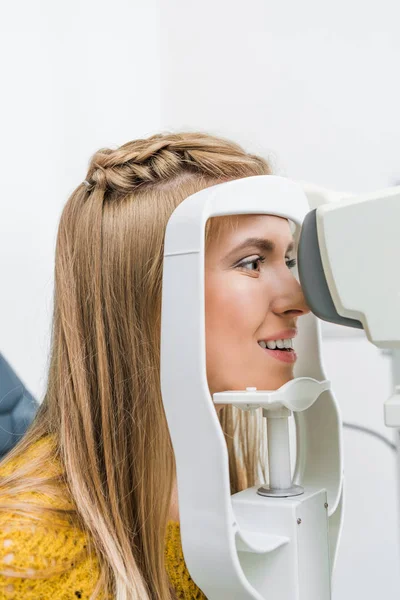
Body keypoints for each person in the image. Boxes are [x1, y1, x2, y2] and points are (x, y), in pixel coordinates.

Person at [0, 131, 310, 600]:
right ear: (149, 299)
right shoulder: (27, 562)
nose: (299, 300)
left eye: (287, 259)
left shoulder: (218, 492)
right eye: (251, 262)